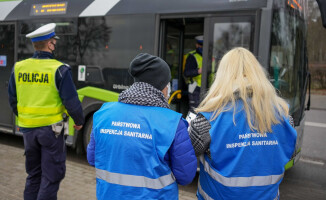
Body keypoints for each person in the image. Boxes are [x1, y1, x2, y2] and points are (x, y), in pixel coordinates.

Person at [189, 47, 297, 200]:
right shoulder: (285, 117)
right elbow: (290, 156)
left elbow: (187, 154)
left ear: (222, 76)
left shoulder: (207, 119)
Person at [87, 53, 197, 200]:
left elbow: (92, 158)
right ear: (162, 86)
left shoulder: (103, 113)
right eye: (167, 83)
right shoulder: (172, 122)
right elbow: (186, 175)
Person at [8, 23, 84, 200]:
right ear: (49, 44)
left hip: (27, 129)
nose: (55, 45)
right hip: (53, 130)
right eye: (54, 42)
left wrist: (26, 118)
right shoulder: (59, 69)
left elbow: (13, 99)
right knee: (51, 177)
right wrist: (79, 121)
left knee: (33, 175)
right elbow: (71, 101)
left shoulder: (18, 67)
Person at [184, 35, 203, 109]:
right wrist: (198, 71)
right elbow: (186, 73)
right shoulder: (192, 56)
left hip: (209, 88)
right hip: (195, 89)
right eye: (201, 45)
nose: (202, 47)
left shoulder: (211, 56)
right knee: (195, 112)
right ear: (197, 45)